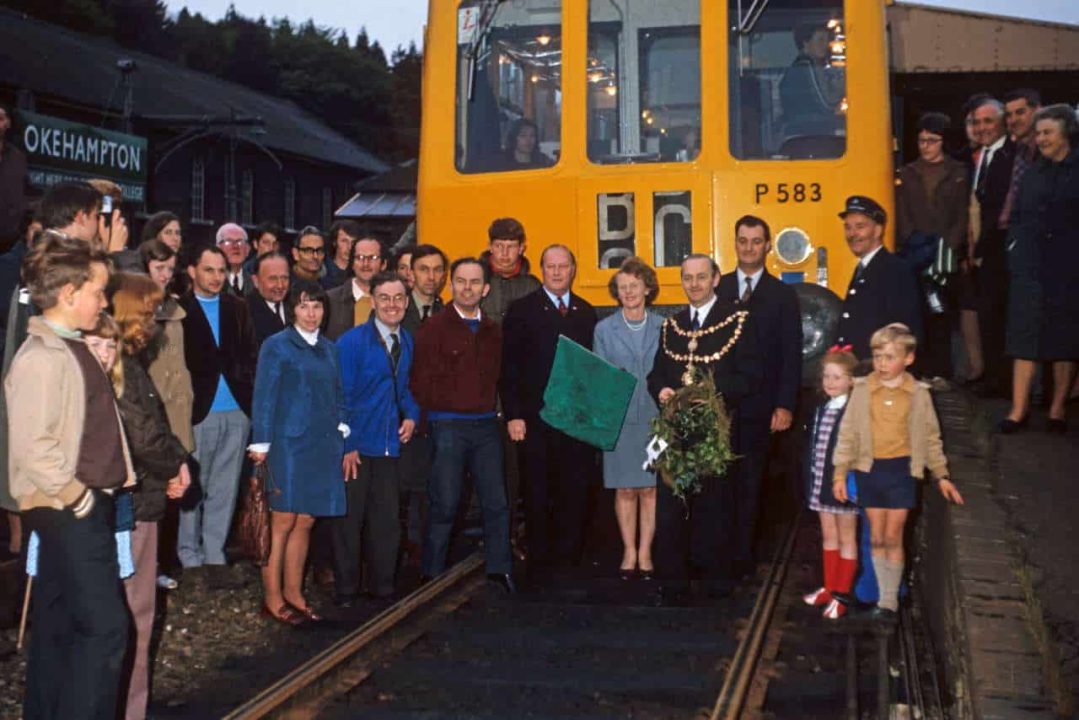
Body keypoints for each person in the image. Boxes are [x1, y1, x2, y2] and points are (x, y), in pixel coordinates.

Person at [7, 233, 134, 720]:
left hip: (77, 505)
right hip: (68, 507)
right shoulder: (41, 357)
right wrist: (78, 498)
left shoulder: (69, 346)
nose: (104, 300)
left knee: (59, 625)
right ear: (69, 294)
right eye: (99, 291)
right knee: (106, 629)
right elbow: (32, 445)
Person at [90, 279, 191, 720]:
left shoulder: (126, 362)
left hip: (137, 497)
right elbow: (144, 433)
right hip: (137, 503)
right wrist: (176, 465)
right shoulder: (124, 368)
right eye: (148, 313)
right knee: (137, 612)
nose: (154, 323)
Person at [647, 253, 761, 603]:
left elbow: (749, 376)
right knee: (671, 507)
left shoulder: (738, 321)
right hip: (675, 435)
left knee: (715, 508)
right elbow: (657, 374)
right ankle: (674, 582)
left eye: (700, 277)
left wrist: (709, 398)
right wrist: (662, 391)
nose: (693, 284)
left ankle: (715, 582)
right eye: (687, 278)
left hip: (716, 434)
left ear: (715, 279)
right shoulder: (673, 325)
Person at [832, 323, 963, 619]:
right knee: (876, 536)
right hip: (870, 471)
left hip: (901, 473)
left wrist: (941, 475)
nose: (882, 364)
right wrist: (840, 473)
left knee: (894, 536)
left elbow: (931, 437)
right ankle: (882, 597)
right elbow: (848, 434)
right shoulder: (863, 390)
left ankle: (889, 602)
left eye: (890, 357)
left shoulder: (918, 394)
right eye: (878, 357)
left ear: (908, 359)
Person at [411, 258, 514, 591]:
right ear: (451, 285)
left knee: (496, 500)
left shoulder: (493, 331)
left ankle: (500, 570)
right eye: (460, 281)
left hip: (485, 427)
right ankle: (432, 572)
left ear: (485, 289)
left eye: (474, 282)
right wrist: (441, 411)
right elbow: (420, 381)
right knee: (445, 500)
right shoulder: (433, 328)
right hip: (449, 425)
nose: (467, 288)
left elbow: (502, 377)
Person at [249, 280, 348, 624]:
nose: (311, 313)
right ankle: (272, 598)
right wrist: (260, 443)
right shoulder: (276, 346)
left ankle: (294, 592)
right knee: (282, 521)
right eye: (304, 306)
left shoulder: (329, 348)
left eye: (317, 306)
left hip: (321, 444)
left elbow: (339, 392)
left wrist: (343, 423)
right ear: (293, 310)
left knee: (306, 520)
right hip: (287, 444)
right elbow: (264, 396)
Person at [502, 244, 597, 580]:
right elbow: (509, 367)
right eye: (550, 266)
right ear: (542, 270)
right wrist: (514, 414)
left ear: (573, 269)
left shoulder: (586, 313)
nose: (557, 272)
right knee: (537, 490)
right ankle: (540, 562)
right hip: (534, 419)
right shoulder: (521, 310)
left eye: (563, 266)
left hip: (573, 422)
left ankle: (570, 558)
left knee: (574, 488)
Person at [716, 216, 802, 581]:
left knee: (752, 481)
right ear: (734, 244)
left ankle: (744, 558)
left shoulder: (781, 296)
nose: (748, 247)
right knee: (720, 481)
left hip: (761, 407)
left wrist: (784, 405)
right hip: (720, 406)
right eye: (743, 241)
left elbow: (790, 355)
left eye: (756, 241)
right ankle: (718, 554)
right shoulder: (718, 291)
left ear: (767, 246)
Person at [333, 271, 420, 604]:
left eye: (398, 298)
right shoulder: (352, 343)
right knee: (348, 521)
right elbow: (339, 396)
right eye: (384, 298)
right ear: (373, 301)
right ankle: (345, 589)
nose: (392, 305)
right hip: (356, 447)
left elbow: (406, 389)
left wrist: (412, 415)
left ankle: (383, 586)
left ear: (407, 302)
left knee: (386, 520)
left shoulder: (407, 341)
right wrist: (347, 444)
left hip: (388, 447)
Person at [178, 245, 257, 588]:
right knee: (193, 486)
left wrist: (245, 402)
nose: (216, 277)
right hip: (198, 412)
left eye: (221, 271)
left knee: (224, 488)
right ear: (193, 271)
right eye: (208, 270)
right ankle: (188, 557)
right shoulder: (178, 309)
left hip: (235, 410)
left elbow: (250, 353)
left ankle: (214, 555)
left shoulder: (236, 307)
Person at [1000, 105, 1079, 435]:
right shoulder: (1033, 171)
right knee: (1024, 336)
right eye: (1039, 133)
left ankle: (1057, 410)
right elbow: (1017, 214)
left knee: (1064, 339)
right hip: (1030, 265)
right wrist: (1015, 250)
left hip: (1069, 267)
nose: (1041, 139)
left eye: (1048, 132)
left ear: (1066, 133)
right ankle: (1017, 411)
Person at [593, 257, 663, 580]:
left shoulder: (664, 326)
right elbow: (600, 375)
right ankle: (628, 551)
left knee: (649, 489)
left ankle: (646, 553)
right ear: (616, 293)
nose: (629, 292)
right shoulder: (604, 329)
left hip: (655, 421)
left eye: (635, 286)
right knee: (623, 490)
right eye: (623, 287)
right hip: (620, 421)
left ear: (647, 288)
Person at [895, 113, 970, 378]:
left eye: (932, 140)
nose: (925, 145)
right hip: (914, 252)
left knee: (943, 316)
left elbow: (962, 214)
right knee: (917, 314)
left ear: (944, 142)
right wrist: (911, 241)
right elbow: (902, 213)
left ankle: (942, 371)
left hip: (946, 255)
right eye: (921, 140)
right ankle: (918, 369)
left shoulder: (959, 172)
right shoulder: (907, 172)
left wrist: (949, 246)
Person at [140, 239, 195, 591]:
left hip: (177, 412)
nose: (164, 275)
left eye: (169, 269)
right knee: (153, 493)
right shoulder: (136, 310)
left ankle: (163, 561)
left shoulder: (175, 311)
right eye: (158, 268)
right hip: (151, 416)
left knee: (174, 493)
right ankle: (149, 566)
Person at [801, 346, 859, 620]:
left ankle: (841, 594)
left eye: (837, 377)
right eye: (826, 377)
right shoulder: (823, 407)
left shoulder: (853, 411)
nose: (830, 383)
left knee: (847, 536)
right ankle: (829, 585)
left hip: (842, 483)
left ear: (851, 381)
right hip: (821, 481)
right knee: (828, 536)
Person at [833, 195, 922, 362]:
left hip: (878, 370)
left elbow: (903, 330)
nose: (852, 234)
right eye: (848, 227)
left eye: (860, 227)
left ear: (878, 230)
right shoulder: (866, 267)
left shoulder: (896, 270)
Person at [967, 97, 1016, 396]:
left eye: (988, 121)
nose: (982, 127)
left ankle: (1003, 384)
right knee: (988, 318)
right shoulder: (982, 155)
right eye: (977, 122)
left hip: (1000, 252)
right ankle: (994, 379)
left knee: (1000, 319)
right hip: (983, 253)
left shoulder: (1010, 157)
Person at [778, 24, 843, 138]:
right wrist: (844, 84)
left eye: (827, 40)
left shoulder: (798, 67)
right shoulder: (807, 68)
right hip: (810, 136)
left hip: (803, 134)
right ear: (805, 43)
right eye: (820, 40)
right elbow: (827, 102)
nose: (825, 45)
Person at [480, 218, 541, 324]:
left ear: (521, 248)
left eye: (511, 246)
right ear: (490, 246)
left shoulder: (532, 286)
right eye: (499, 246)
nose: (504, 252)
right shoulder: (475, 281)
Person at [325, 235, 385, 340]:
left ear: (384, 264)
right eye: (359, 258)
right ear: (352, 264)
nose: (365, 264)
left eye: (372, 258)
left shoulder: (395, 300)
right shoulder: (330, 300)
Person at [0, 103, 28, 252]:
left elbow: (23, 195)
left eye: (0, 118)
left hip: (9, 242)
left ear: (8, 123)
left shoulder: (17, 157)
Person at [247, 252, 290, 347]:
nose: (280, 285)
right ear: (256, 281)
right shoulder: (243, 312)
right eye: (273, 279)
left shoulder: (298, 304)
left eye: (285, 278)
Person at [401, 244, 447, 334]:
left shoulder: (447, 314)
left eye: (437, 270)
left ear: (443, 276)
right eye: (424, 269)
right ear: (411, 274)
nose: (431, 277)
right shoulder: (396, 308)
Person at [323, 220, 361, 290]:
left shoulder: (361, 272)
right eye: (344, 241)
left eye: (353, 242)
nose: (350, 247)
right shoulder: (322, 272)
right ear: (334, 242)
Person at [217, 223, 253, 296]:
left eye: (240, 242)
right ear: (218, 249)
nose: (235, 246)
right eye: (228, 241)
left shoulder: (256, 284)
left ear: (247, 249)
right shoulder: (210, 283)